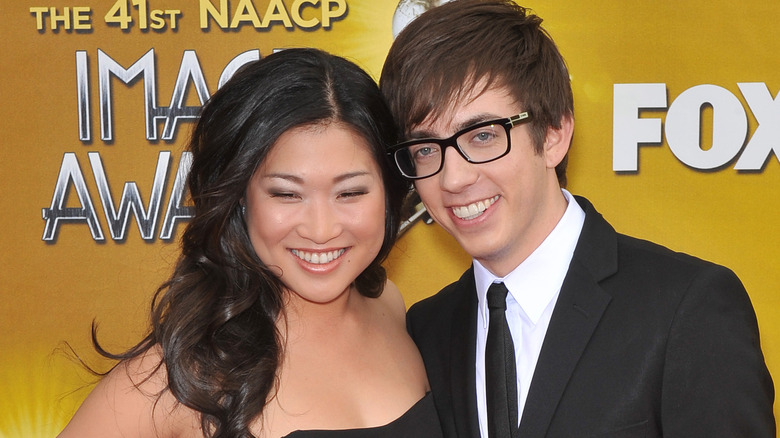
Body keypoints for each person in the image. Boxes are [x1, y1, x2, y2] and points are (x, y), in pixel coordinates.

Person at [379, 1, 775, 437]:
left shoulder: (687, 308)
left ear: (554, 134)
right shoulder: (427, 329)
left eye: (484, 135)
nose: (453, 178)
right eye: (425, 149)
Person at [58, 48, 443, 438]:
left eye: (351, 193)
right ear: (240, 197)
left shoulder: (389, 306)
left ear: (390, 192)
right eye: (287, 194)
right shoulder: (183, 376)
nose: (322, 229)